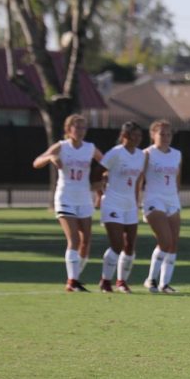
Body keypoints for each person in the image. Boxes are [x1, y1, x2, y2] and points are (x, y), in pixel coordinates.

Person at [32, 114, 103, 292]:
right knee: (73, 239)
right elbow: (36, 162)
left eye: (83, 127)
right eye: (76, 127)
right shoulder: (61, 146)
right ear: (68, 129)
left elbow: (106, 164)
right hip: (65, 197)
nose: (80, 131)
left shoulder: (90, 148)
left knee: (86, 240)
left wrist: (101, 184)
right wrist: (49, 158)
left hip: (84, 198)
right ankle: (72, 281)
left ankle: (75, 278)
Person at [97, 121, 146, 293]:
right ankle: (105, 280)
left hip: (130, 205)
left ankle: (121, 282)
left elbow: (138, 180)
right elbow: (98, 172)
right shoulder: (115, 153)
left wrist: (136, 200)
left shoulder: (141, 155)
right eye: (135, 135)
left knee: (130, 246)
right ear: (125, 136)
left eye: (140, 135)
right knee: (117, 245)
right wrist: (98, 193)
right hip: (112, 202)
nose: (138, 139)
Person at [141, 120, 182, 294]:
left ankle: (164, 284)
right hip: (153, 200)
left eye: (168, 134)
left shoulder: (177, 154)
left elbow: (177, 179)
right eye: (161, 134)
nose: (165, 137)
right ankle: (150, 279)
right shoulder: (147, 154)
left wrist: (176, 197)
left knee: (173, 243)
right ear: (153, 135)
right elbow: (138, 178)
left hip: (172, 200)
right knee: (164, 241)